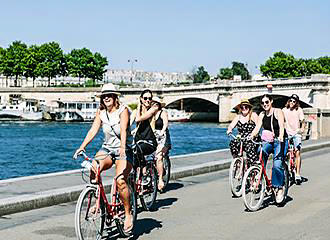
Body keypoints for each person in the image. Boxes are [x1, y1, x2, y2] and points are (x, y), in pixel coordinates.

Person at [73, 83, 134, 233]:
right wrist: (82, 146)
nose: (106, 98)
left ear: (114, 97)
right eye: (103, 96)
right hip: (107, 148)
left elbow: (124, 130)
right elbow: (93, 130)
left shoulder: (123, 110)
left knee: (120, 181)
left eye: (109, 95)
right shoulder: (101, 112)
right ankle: (98, 202)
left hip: (124, 149)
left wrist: (122, 148)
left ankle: (128, 214)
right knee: (94, 167)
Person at [250, 94, 286, 203]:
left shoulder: (278, 111)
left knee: (277, 165)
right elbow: (257, 127)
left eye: (267, 102)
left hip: (279, 141)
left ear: (271, 102)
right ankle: (261, 177)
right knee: (260, 152)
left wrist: (280, 136)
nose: (265, 104)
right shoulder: (262, 114)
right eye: (262, 103)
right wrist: (252, 135)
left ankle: (279, 188)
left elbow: (281, 125)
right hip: (268, 141)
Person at [227, 99, 259, 164]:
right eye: (242, 107)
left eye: (246, 107)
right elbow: (231, 125)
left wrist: (253, 135)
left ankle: (253, 165)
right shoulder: (238, 117)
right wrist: (229, 130)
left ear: (249, 107)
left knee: (249, 147)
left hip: (252, 138)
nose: (244, 108)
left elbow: (258, 126)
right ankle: (237, 160)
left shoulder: (253, 115)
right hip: (242, 138)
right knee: (232, 143)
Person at [282, 94, 305, 184]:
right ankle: (286, 169)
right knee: (285, 152)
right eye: (290, 100)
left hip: (296, 133)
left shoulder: (299, 110)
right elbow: (281, 120)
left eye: (294, 101)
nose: (292, 102)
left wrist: (302, 129)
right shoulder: (284, 110)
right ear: (288, 101)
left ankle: (298, 174)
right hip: (287, 133)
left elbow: (303, 121)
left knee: (297, 152)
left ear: (296, 103)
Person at [131, 89, 158, 162]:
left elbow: (137, 119)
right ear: (141, 99)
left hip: (150, 141)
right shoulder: (136, 112)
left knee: (138, 149)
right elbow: (128, 125)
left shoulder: (153, 109)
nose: (148, 100)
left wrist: (139, 105)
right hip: (138, 140)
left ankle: (143, 168)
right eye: (145, 98)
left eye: (150, 98)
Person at [152, 96, 172, 191]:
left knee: (159, 157)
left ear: (159, 105)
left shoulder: (163, 113)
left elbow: (165, 124)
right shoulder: (150, 113)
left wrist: (162, 131)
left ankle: (160, 180)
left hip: (163, 137)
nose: (154, 105)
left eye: (156, 103)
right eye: (152, 103)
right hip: (153, 137)